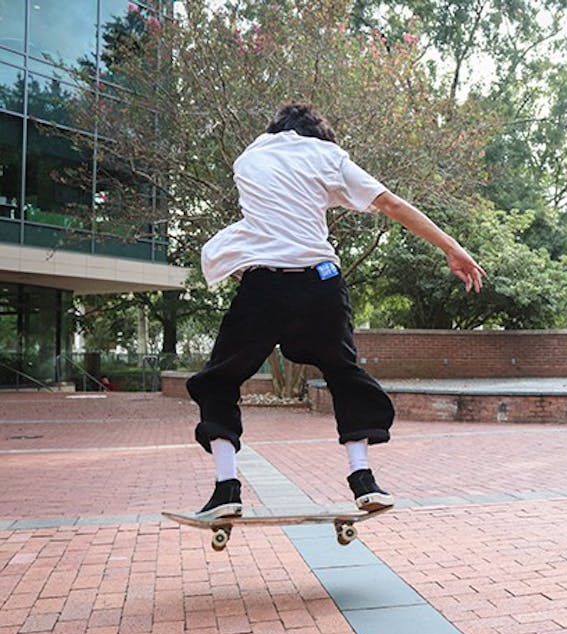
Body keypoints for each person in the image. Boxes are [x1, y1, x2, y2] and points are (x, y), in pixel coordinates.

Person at [186, 101, 485, 519]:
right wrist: (452, 248)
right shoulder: (327, 156)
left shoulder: (249, 159)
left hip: (263, 288)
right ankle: (364, 480)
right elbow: (392, 205)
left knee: (219, 380)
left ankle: (226, 489)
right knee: (345, 373)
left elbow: (263, 223)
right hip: (319, 284)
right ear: (318, 134)